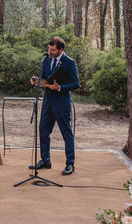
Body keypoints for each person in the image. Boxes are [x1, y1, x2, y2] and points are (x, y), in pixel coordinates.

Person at [29, 36, 79, 175]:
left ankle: (70, 164)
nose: (50, 52)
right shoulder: (46, 60)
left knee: (66, 135)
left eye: (53, 50)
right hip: (47, 103)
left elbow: (76, 83)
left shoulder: (69, 63)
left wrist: (59, 87)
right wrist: (36, 81)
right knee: (43, 131)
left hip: (62, 105)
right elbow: (46, 79)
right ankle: (45, 161)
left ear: (60, 50)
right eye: (49, 49)